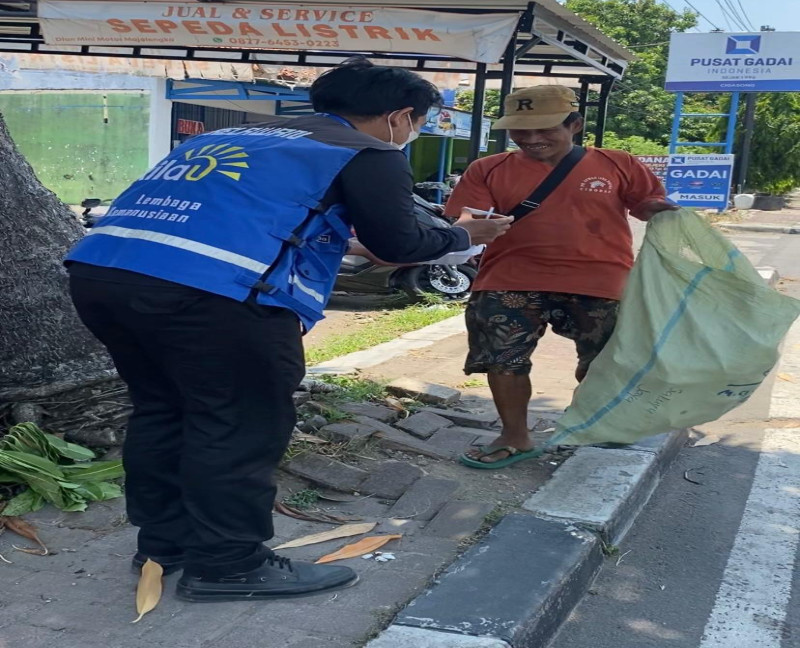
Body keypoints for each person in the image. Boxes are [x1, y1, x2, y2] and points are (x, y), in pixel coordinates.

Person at [65, 58, 512, 601]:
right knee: (239, 422)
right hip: (210, 294)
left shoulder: (235, 137)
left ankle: (166, 543)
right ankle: (229, 563)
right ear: (399, 117)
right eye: (417, 123)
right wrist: (463, 236)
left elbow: (251, 216)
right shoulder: (366, 152)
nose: (411, 133)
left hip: (104, 273)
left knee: (164, 409)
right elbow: (399, 244)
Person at [445, 85, 677, 469]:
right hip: (510, 279)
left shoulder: (617, 163)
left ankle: (595, 422)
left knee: (605, 361)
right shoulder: (487, 169)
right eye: (520, 131)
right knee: (504, 358)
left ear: (575, 125)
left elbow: (647, 203)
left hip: (600, 280)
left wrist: (666, 212)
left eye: (545, 129)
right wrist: (477, 224)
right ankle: (515, 436)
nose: (532, 140)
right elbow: (467, 218)